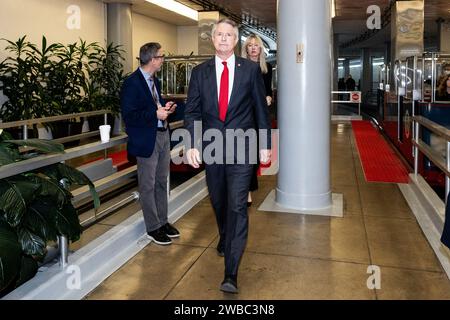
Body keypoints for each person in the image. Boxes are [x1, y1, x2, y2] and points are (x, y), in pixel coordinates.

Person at [184, 18, 271, 293]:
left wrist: (265, 143)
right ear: (213, 40)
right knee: (219, 200)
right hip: (211, 147)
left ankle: (231, 272)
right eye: (219, 34)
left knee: (236, 205)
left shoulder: (249, 71)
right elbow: (193, 112)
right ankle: (225, 235)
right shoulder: (200, 73)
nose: (223, 39)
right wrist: (191, 144)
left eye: (229, 35)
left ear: (236, 41)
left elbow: (260, 108)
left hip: (243, 146)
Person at [120, 42, 180, 246]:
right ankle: (153, 227)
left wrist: (165, 109)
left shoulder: (155, 81)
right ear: (153, 59)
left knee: (162, 182)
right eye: (161, 56)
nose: (163, 60)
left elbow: (154, 106)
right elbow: (129, 116)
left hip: (162, 134)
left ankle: (162, 221)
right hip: (146, 140)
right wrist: (154, 114)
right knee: (148, 185)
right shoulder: (132, 83)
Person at [241, 34, 273, 206]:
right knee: (244, 155)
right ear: (246, 48)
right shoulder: (240, 66)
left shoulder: (266, 68)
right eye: (250, 45)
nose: (253, 48)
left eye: (256, 45)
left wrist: (268, 97)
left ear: (260, 49)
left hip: (258, 115)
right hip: (243, 115)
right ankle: (245, 190)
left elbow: (268, 90)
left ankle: (249, 188)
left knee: (253, 155)